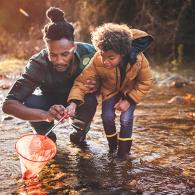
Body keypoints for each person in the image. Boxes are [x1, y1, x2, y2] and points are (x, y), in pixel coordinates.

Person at [2, 7, 98, 144]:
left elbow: (114, 77)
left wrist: (98, 84)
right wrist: (45, 115)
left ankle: (79, 132)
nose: (59, 61)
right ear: (47, 48)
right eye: (53, 54)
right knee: (30, 102)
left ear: (74, 47)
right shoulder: (37, 63)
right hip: (48, 102)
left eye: (65, 54)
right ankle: (46, 136)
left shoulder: (90, 53)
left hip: (79, 100)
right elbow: (8, 105)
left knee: (90, 100)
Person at [65, 23, 154, 160]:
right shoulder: (97, 59)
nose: (105, 61)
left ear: (123, 53)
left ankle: (123, 153)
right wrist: (73, 103)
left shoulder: (139, 60)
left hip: (130, 92)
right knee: (106, 117)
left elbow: (146, 81)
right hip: (110, 91)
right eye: (103, 56)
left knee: (126, 118)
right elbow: (81, 82)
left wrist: (129, 100)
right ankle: (112, 148)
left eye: (111, 58)